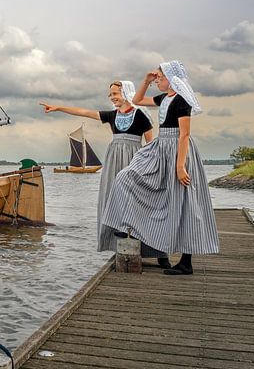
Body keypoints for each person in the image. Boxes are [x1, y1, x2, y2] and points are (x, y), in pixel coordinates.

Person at [102, 61, 220, 276]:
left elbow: (184, 134)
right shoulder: (164, 98)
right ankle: (129, 223)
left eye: (159, 77)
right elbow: (137, 100)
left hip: (178, 150)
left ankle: (186, 262)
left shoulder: (181, 101)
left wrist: (180, 166)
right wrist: (146, 81)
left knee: (183, 203)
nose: (157, 80)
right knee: (126, 177)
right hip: (161, 147)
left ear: (171, 78)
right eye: (156, 77)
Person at [40, 81, 169, 266]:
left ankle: (159, 252)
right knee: (113, 197)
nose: (112, 97)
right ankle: (121, 244)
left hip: (135, 159)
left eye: (115, 93)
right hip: (114, 160)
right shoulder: (112, 115)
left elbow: (150, 144)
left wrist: (152, 167)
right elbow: (84, 112)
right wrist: (58, 107)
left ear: (125, 92)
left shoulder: (141, 115)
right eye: (110, 95)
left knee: (142, 203)